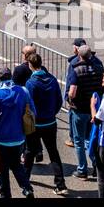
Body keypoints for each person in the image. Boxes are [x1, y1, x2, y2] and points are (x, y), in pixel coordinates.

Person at [0, 67, 35, 198]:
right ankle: (27, 188)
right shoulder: (23, 91)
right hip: (19, 138)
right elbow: (32, 112)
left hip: (1, 139)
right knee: (16, 165)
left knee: (1, 167)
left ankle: (5, 194)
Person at [23, 53, 67, 195]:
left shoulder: (31, 83)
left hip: (36, 124)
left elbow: (28, 104)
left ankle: (25, 180)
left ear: (30, 65)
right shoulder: (52, 80)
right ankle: (60, 184)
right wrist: (52, 113)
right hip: (50, 122)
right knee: (53, 152)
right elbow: (59, 100)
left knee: (30, 152)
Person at [66, 42, 104, 180]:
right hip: (94, 109)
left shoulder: (76, 70)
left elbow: (72, 92)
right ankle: (96, 164)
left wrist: (70, 100)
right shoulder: (99, 68)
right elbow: (102, 88)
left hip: (79, 109)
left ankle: (82, 169)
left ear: (79, 56)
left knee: (79, 140)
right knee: (90, 138)